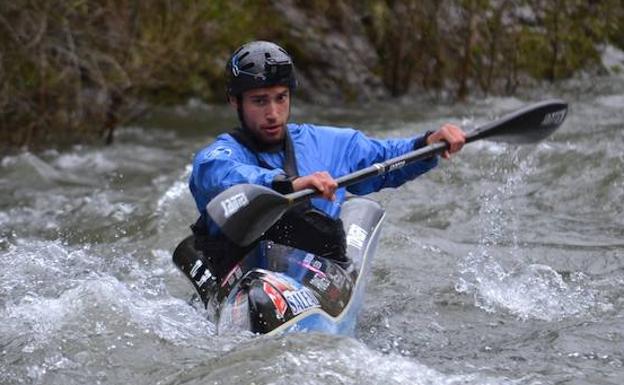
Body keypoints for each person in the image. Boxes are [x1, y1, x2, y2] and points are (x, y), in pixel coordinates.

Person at [174, 40, 465, 305]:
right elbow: (220, 175)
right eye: (260, 101)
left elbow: (385, 158)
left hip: (311, 275)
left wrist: (428, 143)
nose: (273, 113)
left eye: (281, 97)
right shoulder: (220, 156)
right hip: (246, 276)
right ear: (235, 102)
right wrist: (289, 185)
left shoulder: (326, 143)